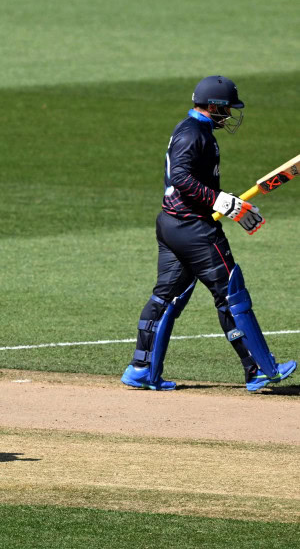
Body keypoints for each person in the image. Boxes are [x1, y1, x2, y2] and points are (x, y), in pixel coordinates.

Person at [121, 76, 296, 393]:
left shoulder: (190, 130)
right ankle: (260, 370)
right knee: (232, 295)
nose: (228, 116)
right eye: (226, 109)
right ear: (213, 106)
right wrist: (221, 201)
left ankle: (142, 369)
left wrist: (230, 203)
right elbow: (182, 178)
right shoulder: (194, 135)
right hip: (196, 231)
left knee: (167, 296)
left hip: (173, 225)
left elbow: (187, 184)